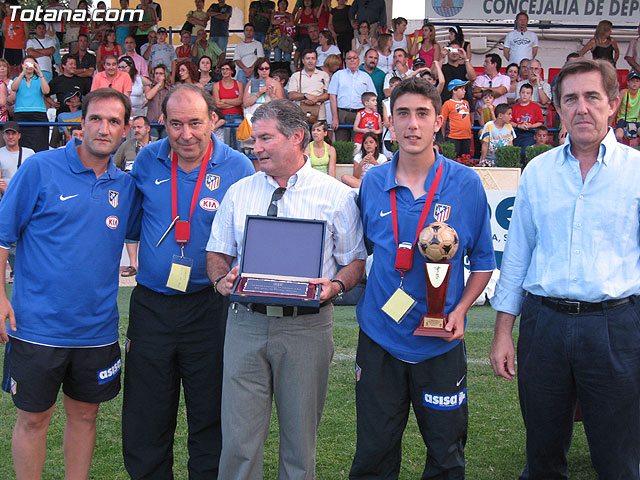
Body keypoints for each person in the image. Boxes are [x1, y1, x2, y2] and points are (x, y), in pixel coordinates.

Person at [490, 57, 640, 480]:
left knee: (619, 460)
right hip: (545, 326)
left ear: (613, 104)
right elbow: (517, 254)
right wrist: (503, 332)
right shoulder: (538, 172)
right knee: (543, 457)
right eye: (571, 99)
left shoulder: (635, 173)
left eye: (592, 97)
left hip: (616, 327)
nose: (582, 108)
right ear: (557, 109)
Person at [206, 98, 367, 480]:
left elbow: (354, 262)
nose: (256, 147)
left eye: (265, 138)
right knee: (238, 443)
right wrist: (220, 279)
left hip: (307, 327)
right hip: (245, 324)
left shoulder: (336, 195)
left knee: (299, 445)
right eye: (254, 138)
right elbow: (217, 252)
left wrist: (335, 285)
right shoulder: (240, 191)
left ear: (296, 137)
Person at [350, 76, 495, 479]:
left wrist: (461, 309)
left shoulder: (465, 183)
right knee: (374, 454)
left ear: (438, 122)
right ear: (390, 123)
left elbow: (483, 261)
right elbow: (361, 249)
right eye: (402, 114)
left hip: (440, 341)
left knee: (446, 455)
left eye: (422, 114)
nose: (412, 124)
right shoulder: (373, 183)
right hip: (380, 336)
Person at [0, 88, 137, 480]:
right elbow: (3, 236)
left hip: (96, 330)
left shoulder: (125, 187)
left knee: (85, 416)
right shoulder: (40, 168)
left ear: (125, 129)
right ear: (81, 123)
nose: (103, 128)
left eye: (113, 121)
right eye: (96, 119)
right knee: (33, 419)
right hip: (37, 326)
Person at [121, 84, 255, 479]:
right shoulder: (146, 160)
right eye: (175, 124)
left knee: (211, 413)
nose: (186, 134)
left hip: (209, 307)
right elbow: (131, 224)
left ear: (213, 120)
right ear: (162, 122)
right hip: (152, 306)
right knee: (146, 414)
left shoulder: (238, 168)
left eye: (195, 123)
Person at [0, 122, 34, 282]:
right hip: (7, 200)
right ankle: (16, 272)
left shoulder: (29, 153)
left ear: (19, 135)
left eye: (13, 133)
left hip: (27, 199)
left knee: (28, 236)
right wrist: (7, 192)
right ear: (3, 136)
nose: (10, 137)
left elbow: (35, 177)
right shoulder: (0, 154)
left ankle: (26, 271)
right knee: (10, 239)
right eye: (7, 133)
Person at [328, 50, 376, 141]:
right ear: (345, 61)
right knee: (341, 143)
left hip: (361, 113)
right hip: (342, 113)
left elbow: (372, 97)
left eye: (354, 58)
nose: (352, 60)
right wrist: (334, 118)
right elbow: (332, 97)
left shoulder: (365, 76)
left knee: (358, 142)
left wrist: (374, 117)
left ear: (359, 60)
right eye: (349, 58)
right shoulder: (338, 75)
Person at [11, 55, 50, 153]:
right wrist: (22, 73)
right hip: (21, 114)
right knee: (21, 144)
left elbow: (46, 91)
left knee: (40, 143)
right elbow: (14, 88)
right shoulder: (18, 78)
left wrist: (40, 73)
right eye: (27, 64)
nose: (29, 66)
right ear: (22, 65)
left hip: (38, 114)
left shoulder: (40, 79)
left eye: (32, 64)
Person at [286, 49, 330, 122]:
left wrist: (316, 99)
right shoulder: (296, 75)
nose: (310, 61)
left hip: (320, 115)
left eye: (313, 58)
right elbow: (291, 95)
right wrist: (305, 96)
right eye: (308, 58)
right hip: (300, 114)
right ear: (303, 60)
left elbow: (327, 94)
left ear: (316, 60)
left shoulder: (324, 75)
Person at [511, 83, 543, 161]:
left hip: (530, 133)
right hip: (517, 133)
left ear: (531, 95)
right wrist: (518, 126)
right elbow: (510, 122)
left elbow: (540, 122)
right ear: (519, 93)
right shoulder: (514, 107)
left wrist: (531, 126)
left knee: (524, 152)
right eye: (523, 92)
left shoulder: (536, 107)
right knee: (515, 153)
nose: (525, 95)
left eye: (528, 93)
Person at [442, 79, 472, 157]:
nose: (464, 91)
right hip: (453, 136)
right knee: (453, 158)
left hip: (467, 136)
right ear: (454, 90)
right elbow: (444, 121)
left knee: (466, 158)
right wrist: (443, 136)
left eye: (464, 89)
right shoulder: (447, 104)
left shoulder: (466, 103)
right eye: (462, 89)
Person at [214, 60, 245, 126]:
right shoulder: (216, 85)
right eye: (223, 69)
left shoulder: (239, 84)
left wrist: (224, 100)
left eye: (227, 69)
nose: (224, 71)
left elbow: (240, 101)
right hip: (223, 117)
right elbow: (218, 105)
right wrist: (235, 104)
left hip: (238, 115)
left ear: (232, 71)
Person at [2, 0, 28, 78]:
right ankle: (9, 83)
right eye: (5, 7)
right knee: (8, 67)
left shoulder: (22, 19)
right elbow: (4, 32)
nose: (6, 9)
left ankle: (21, 82)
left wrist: (22, 43)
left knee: (20, 67)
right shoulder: (6, 19)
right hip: (8, 47)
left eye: (8, 7)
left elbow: (27, 34)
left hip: (19, 47)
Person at [615, 69, 640, 146]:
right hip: (623, 120)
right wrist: (609, 124)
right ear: (628, 83)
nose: (635, 83)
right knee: (618, 135)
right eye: (632, 81)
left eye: (637, 81)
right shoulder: (623, 93)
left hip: (636, 120)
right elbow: (615, 107)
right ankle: (620, 149)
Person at [145, 64, 171, 139]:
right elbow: (148, 96)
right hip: (152, 123)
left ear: (165, 75)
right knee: (154, 140)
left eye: (161, 73)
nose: (158, 76)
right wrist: (159, 84)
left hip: (165, 123)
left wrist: (164, 113)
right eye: (156, 73)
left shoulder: (170, 89)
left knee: (164, 140)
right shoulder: (149, 87)